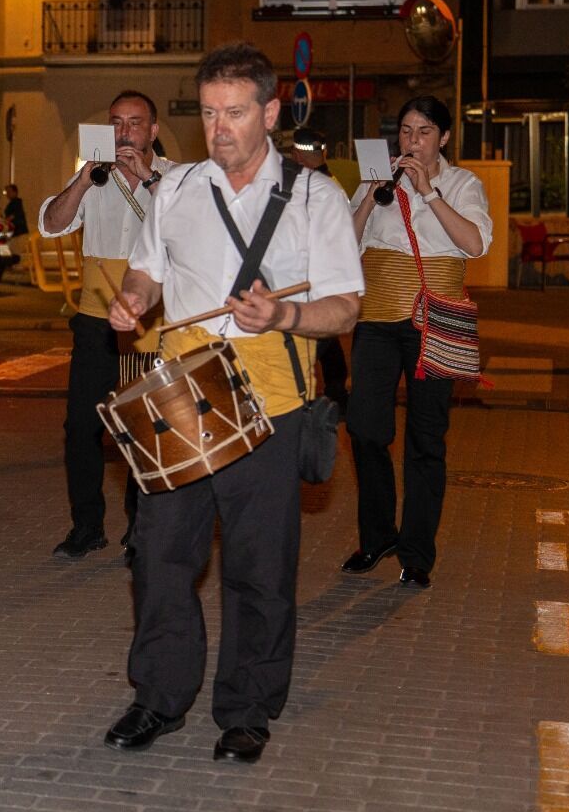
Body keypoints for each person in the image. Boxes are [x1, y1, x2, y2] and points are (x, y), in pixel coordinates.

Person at [103, 43, 362, 764]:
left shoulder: (315, 197)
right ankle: (159, 696)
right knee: (159, 556)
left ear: (271, 112)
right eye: (210, 112)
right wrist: (132, 301)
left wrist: (282, 318)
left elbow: (344, 307)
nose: (219, 127)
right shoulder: (177, 188)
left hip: (271, 402)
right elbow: (147, 273)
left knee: (259, 567)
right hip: (184, 399)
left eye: (236, 112)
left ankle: (246, 709)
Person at [342, 96, 492, 590]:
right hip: (377, 319)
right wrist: (370, 195)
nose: (413, 141)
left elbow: (473, 243)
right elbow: (345, 241)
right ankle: (378, 534)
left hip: (435, 324)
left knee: (426, 441)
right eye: (405, 131)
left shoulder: (463, 183)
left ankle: (418, 552)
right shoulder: (376, 179)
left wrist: (429, 193)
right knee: (365, 427)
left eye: (424, 131)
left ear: (444, 138)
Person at [39, 90, 175, 560]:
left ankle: (142, 529)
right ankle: (86, 525)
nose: (124, 133)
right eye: (116, 122)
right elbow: (52, 224)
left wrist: (149, 179)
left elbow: (187, 229)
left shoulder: (173, 178)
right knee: (81, 426)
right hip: (96, 319)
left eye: (135, 123)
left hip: (149, 324)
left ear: (153, 131)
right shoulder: (93, 178)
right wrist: (80, 180)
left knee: (143, 428)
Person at [292, 128, 350, 413]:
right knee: (328, 337)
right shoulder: (333, 183)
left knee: (318, 339)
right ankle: (336, 390)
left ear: (298, 156)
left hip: (313, 277)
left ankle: (325, 395)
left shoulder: (316, 187)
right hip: (327, 276)